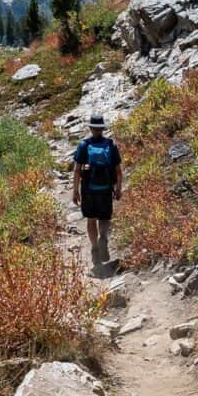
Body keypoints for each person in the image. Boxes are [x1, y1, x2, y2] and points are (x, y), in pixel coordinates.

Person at [72, 114, 122, 276]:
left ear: (90, 128)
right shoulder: (110, 144)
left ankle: (94, 247)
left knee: (91, 218)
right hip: (106, 188)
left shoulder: (83, 145)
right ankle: (104, 237)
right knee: (105, 217)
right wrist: (118, 188)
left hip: (88, 189)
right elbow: (118, 170)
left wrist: (75, 191)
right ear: (102, 128)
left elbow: (77, 170)